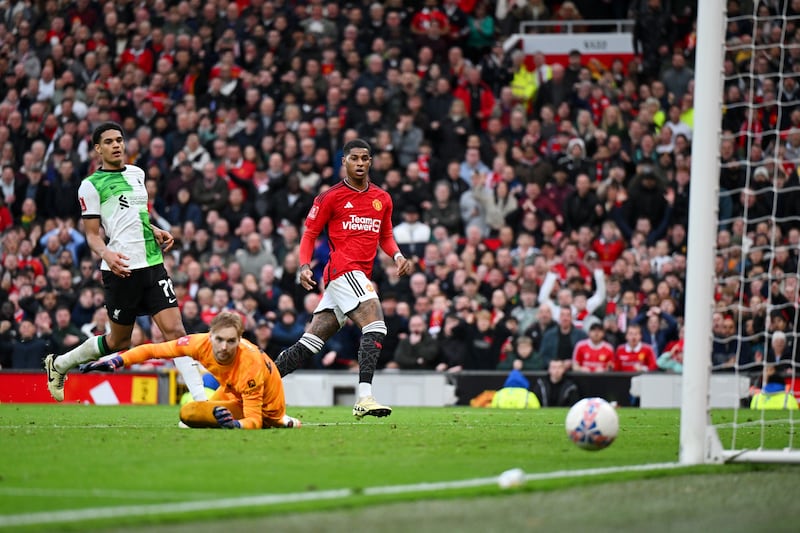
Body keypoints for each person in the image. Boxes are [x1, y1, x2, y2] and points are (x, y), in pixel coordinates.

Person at [44, 122, 205, 403]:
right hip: (122, 269)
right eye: (109, 142)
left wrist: (154, 229)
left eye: (119, 140)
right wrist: (107, 254)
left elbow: (136, 215)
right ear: (98, 149)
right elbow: (93, 235)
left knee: (176, 333)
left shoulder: (137, 174)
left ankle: (203, 403)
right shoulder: (90, 186)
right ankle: (59, 365)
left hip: (153, 263)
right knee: (118, 342)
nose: (117, 145)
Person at [274, 139, 413, 419]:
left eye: (365, 158)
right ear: (344, 162)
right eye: (354, 158)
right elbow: (310, 233)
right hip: (342, 270)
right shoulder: (330, 197)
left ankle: (259, 382)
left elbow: (385, 235)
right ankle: (364, 397)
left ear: (371, 161)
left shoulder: (382, 199)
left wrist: (397, 255)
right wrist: (303, 266)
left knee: (309, 343)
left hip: (356, 275)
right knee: (376, 323)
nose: (360, 163)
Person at [82, 312, 301, 429]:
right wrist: (117, 361)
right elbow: (154, 350)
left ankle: (283, 420)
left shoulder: (250, 363)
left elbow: (253, 420)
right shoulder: (198, 343)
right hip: (233, 391)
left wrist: (235, 425)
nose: (224, 347)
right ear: (210, 335)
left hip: (266, 407)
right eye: (219, 340)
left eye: (231, 341)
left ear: (240, 339)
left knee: (190, 414)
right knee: (191, 414)